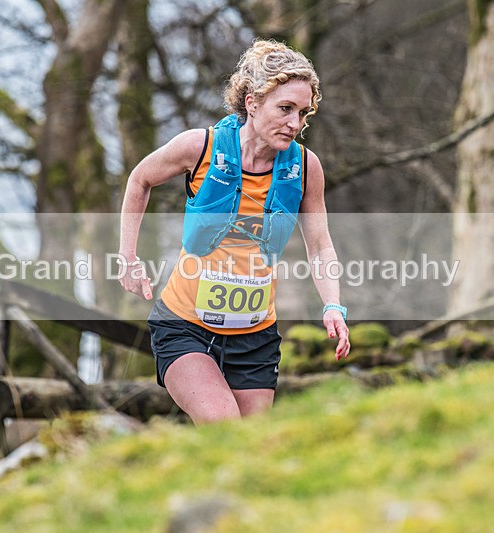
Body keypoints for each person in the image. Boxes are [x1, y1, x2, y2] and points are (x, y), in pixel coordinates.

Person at [118, 39, 350, 425]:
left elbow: (320, 244)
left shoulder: (306, 168)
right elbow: (140, 179)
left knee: (250, 445)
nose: (295, 123)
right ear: (252, 103)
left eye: (303, 112)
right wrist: (128, 256)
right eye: (285, 109)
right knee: (223, 423)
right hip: (185, 326)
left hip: (256, 337)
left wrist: (333, 305)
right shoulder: (200, 147)